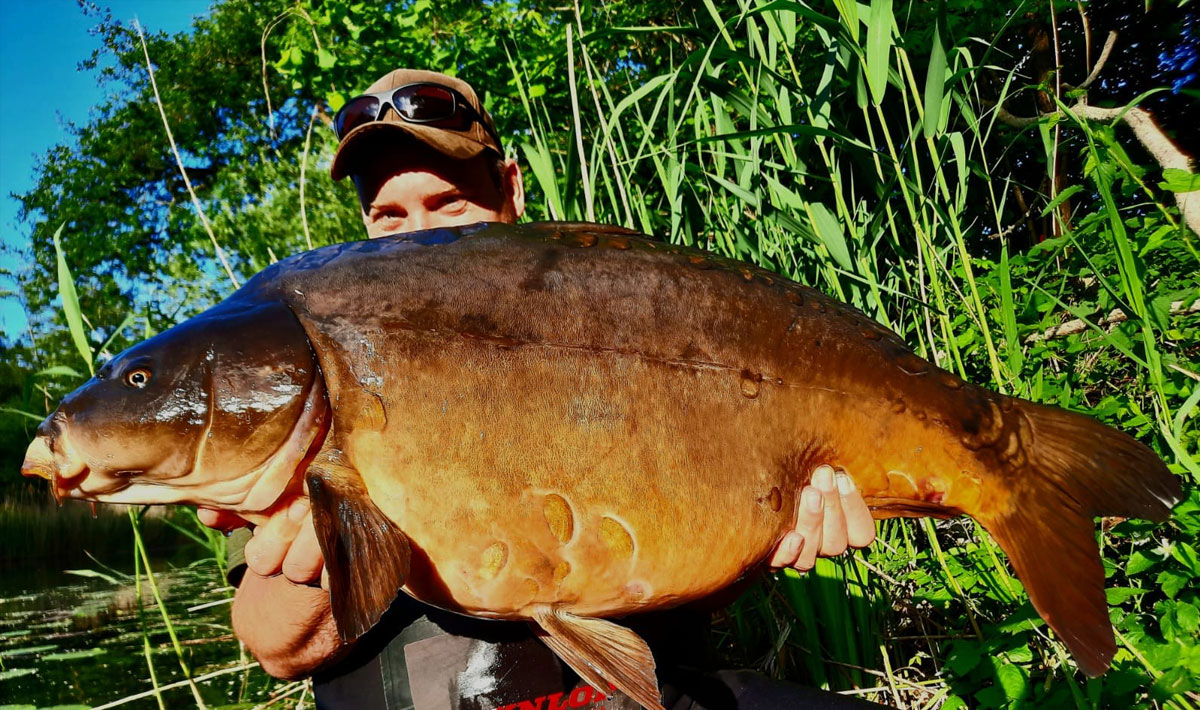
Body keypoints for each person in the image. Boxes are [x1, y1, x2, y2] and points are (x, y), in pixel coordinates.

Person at [202, 69, 880, 709]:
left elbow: (684, 577)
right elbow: (274, 645)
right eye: (389, 216)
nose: (419, 237)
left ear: (512, 192)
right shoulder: (306, 378)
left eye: (448, 203)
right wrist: (334, 551)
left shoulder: (613, 332)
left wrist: (767, 537)